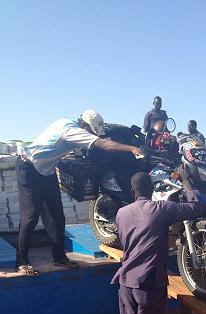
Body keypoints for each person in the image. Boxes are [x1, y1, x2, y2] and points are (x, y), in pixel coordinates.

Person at [112, 168, 206, 314]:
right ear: (152, 189)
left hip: (126, 282)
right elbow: (195, 208)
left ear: (133, 190)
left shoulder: (122, 213)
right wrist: (185, 182)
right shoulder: (160, 208)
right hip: (149, 283)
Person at [15, 110, 142, 276]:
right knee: (31, 215)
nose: (90, 134)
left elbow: (103, 140)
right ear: (84, 125)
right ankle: (21, 261)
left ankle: (59, 257)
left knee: (57, 215)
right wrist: (131, 148)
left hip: (46, 170)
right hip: (28, 167)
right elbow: (104, 144)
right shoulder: (72, 131)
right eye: (90, 131)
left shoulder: (68, 121)